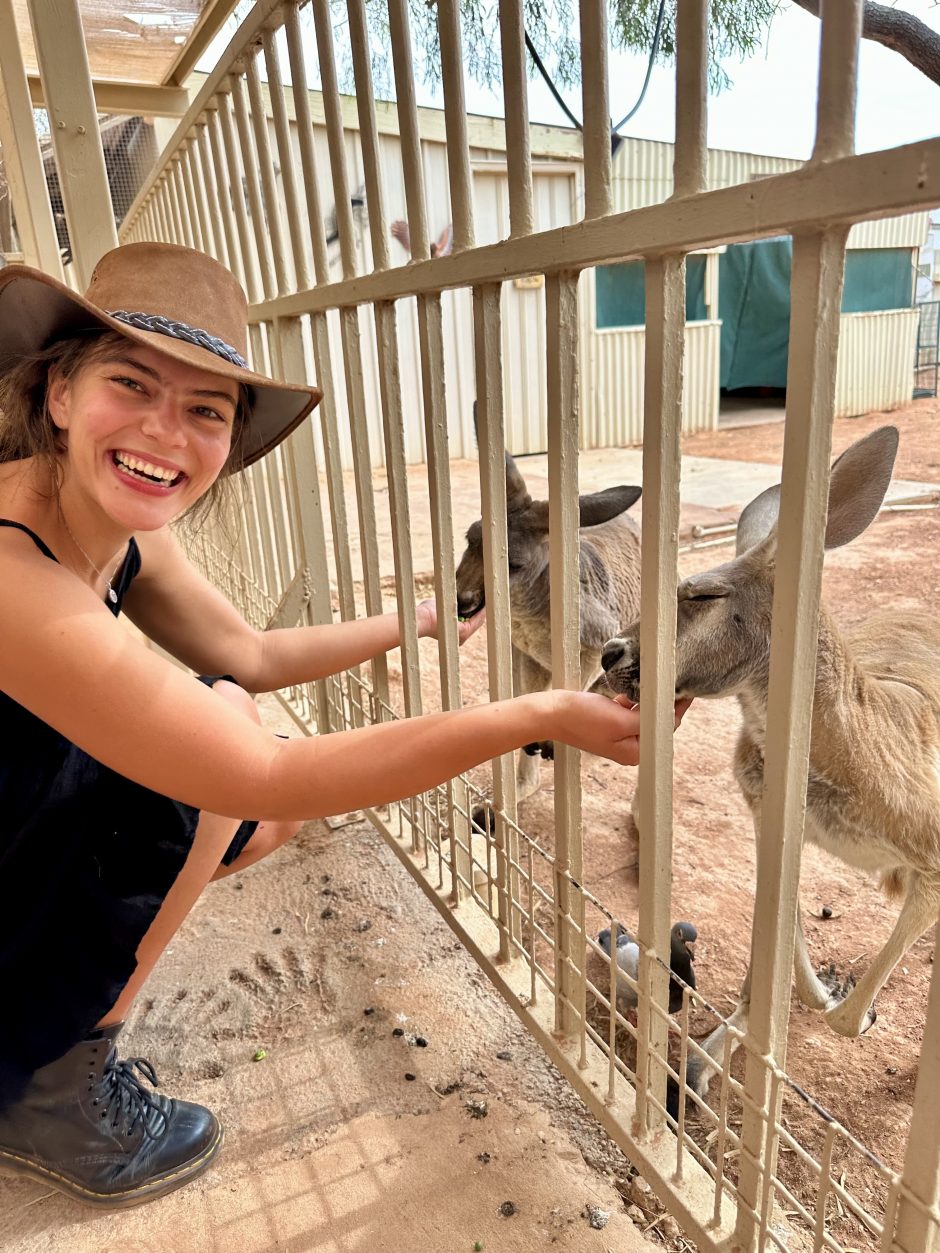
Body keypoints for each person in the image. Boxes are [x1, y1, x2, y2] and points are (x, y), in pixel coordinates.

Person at [0, 242, 673, 1210]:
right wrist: (535, 713)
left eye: (204, 409)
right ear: (60, 389)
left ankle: (52, 1020)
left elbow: (251, 652)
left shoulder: (121, 515)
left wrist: (430, 618)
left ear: (229, 438)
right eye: (131, 384)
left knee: (233, 757)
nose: (165, 430)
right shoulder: (11, 560)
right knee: (226, 764)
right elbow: (263, 774)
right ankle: (51, 1091)